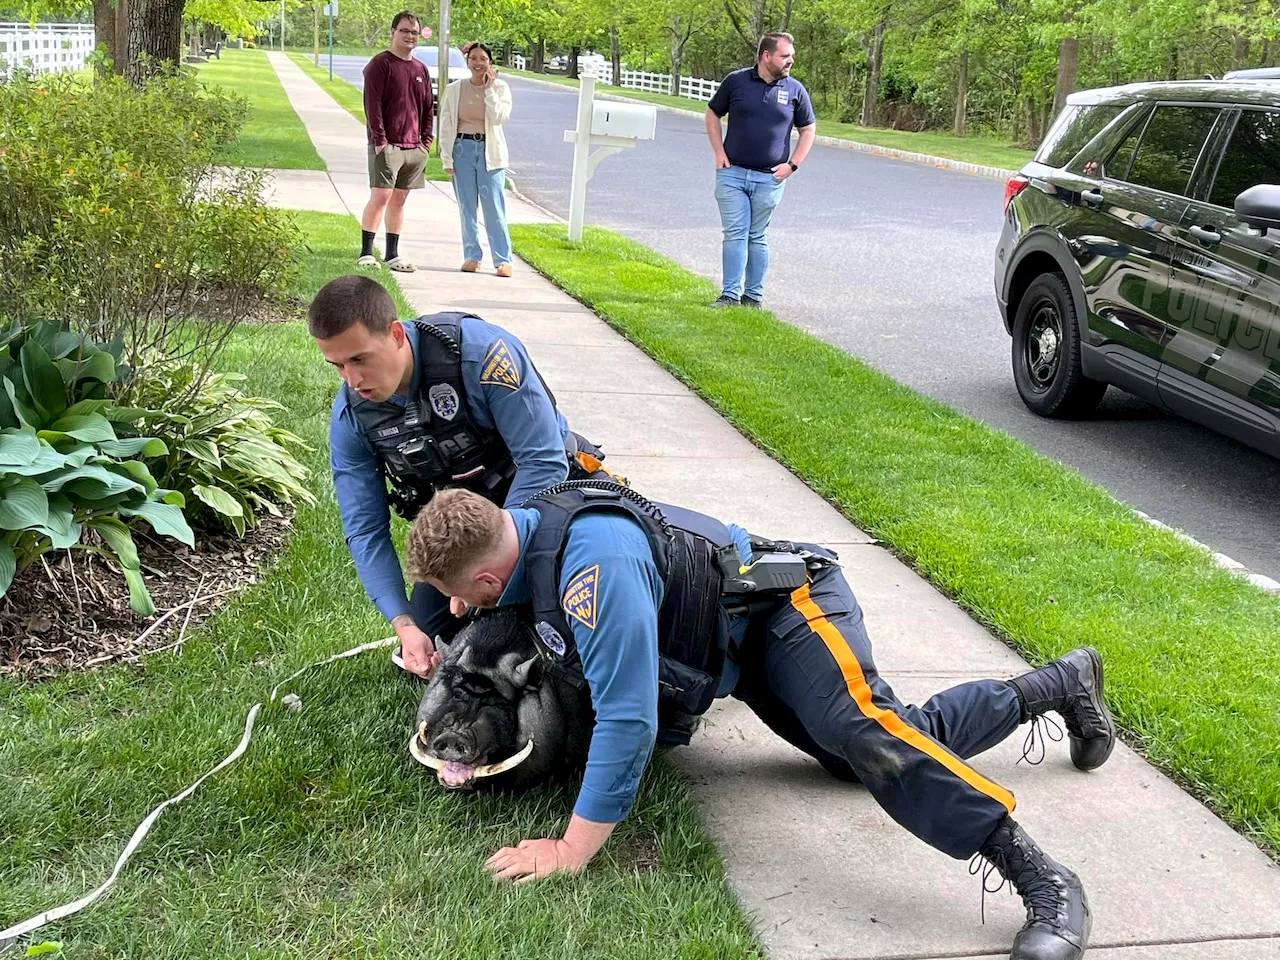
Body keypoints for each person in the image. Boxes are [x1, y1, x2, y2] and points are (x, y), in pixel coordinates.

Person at [405, 482, 1114, 960]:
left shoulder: (593, 571)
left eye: (456, 598)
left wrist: (571, 848)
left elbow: (628, 719)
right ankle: (1059, 684)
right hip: (738, 649)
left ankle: (1044, 879)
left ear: (487, 580)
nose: (459, 613)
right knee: (869, 750)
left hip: (789, 608)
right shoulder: (527, 538)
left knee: (864, 734)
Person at [308, 275, 619, 678]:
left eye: (360, 359)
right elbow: (365, 529)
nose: (352, 381)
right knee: (433, 638)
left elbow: (543, 464)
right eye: (338, 366)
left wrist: (485, 565)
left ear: (397, 334)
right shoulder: (353, 417)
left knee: (570, 632)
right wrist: (403, 623)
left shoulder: (482, 354)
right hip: (466, 525)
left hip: (550, 498)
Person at [705, 32, 817, 309]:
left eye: (791, 55)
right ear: (766, 56)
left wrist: (793, 164)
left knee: (757, 236)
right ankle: (730, 295)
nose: (790, 60)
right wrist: (719, 152)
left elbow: (808, 129)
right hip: (732, 174)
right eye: (785, 55)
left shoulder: (795, 90)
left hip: (770, 178)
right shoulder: (736, 81)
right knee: (735, 233)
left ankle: (753, 297)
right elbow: (712, 114)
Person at [359, 11, 433, 273]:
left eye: (414, 32)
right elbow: (372, 104)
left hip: (415, 147)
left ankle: (392, 254)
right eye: (404, 31)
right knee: (381, 195)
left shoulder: (420, 69)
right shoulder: (380, 64)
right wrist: (380, 140)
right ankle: (366, 252)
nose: (409, 36)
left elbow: (427, 108)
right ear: (393, 32)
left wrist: (426, 141)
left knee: (399, 200)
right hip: (387, 144)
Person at [438, 41, 515, 277]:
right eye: (473, 58)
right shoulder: (454, 89)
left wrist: (489, 90)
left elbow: (500, 117)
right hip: (462, 149)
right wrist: (446, 157)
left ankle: (503, 260)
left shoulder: (500, 88)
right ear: (467, 62)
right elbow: (447, 123)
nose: (478, 63)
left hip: (489, 152)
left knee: (494, 207)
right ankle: (472, 256)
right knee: (466, 207)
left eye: (483, 58)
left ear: (490, 62)